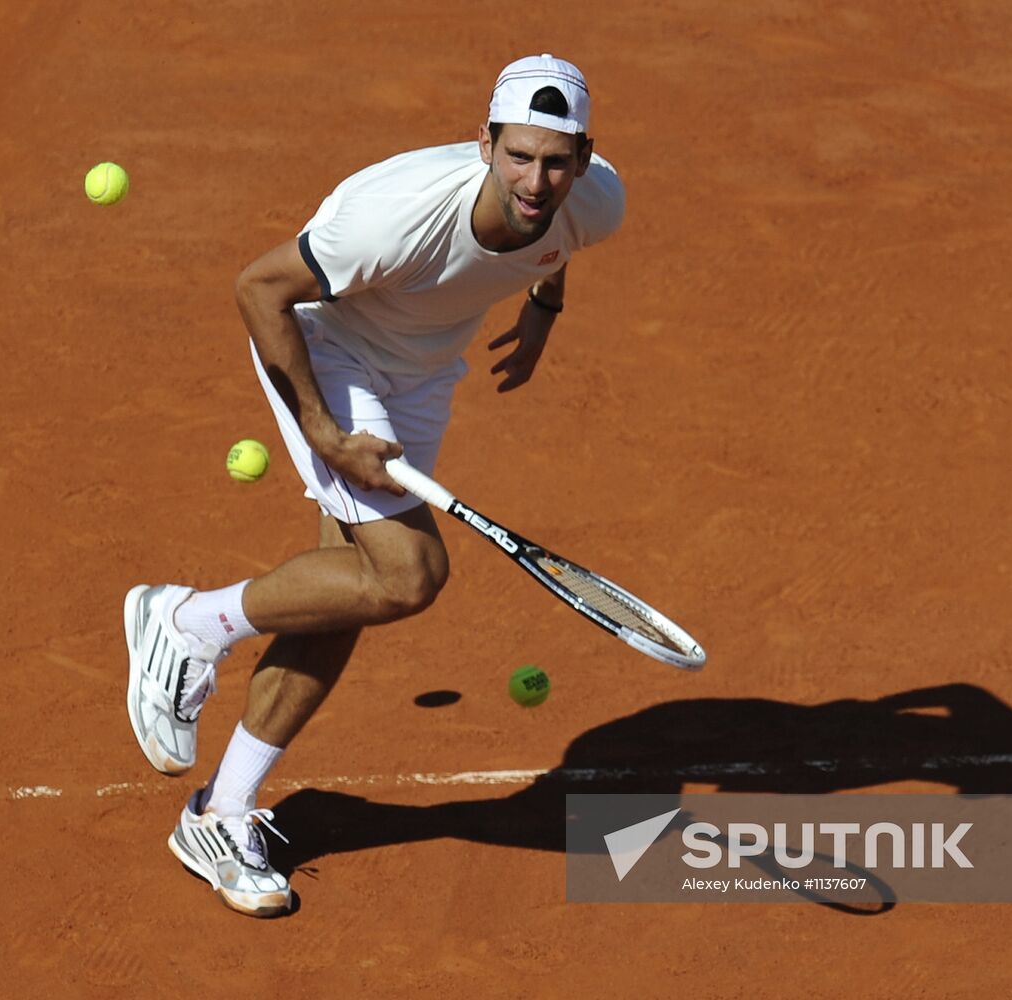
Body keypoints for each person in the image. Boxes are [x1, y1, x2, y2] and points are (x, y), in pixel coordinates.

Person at [123, 53, 625, 918]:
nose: (535, 179)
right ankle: (184, 620)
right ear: (485, 143)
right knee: (408, 574)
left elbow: (557, 238)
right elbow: (260, 289)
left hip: (423, 370)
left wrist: (545, 308)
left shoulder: (595, 201)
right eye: (517, 156)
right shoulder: (389, 220)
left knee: (348, 594)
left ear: (583, 160)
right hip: (330, 348)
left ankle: (221, 812)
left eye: (555, 161)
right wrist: (324, 430)